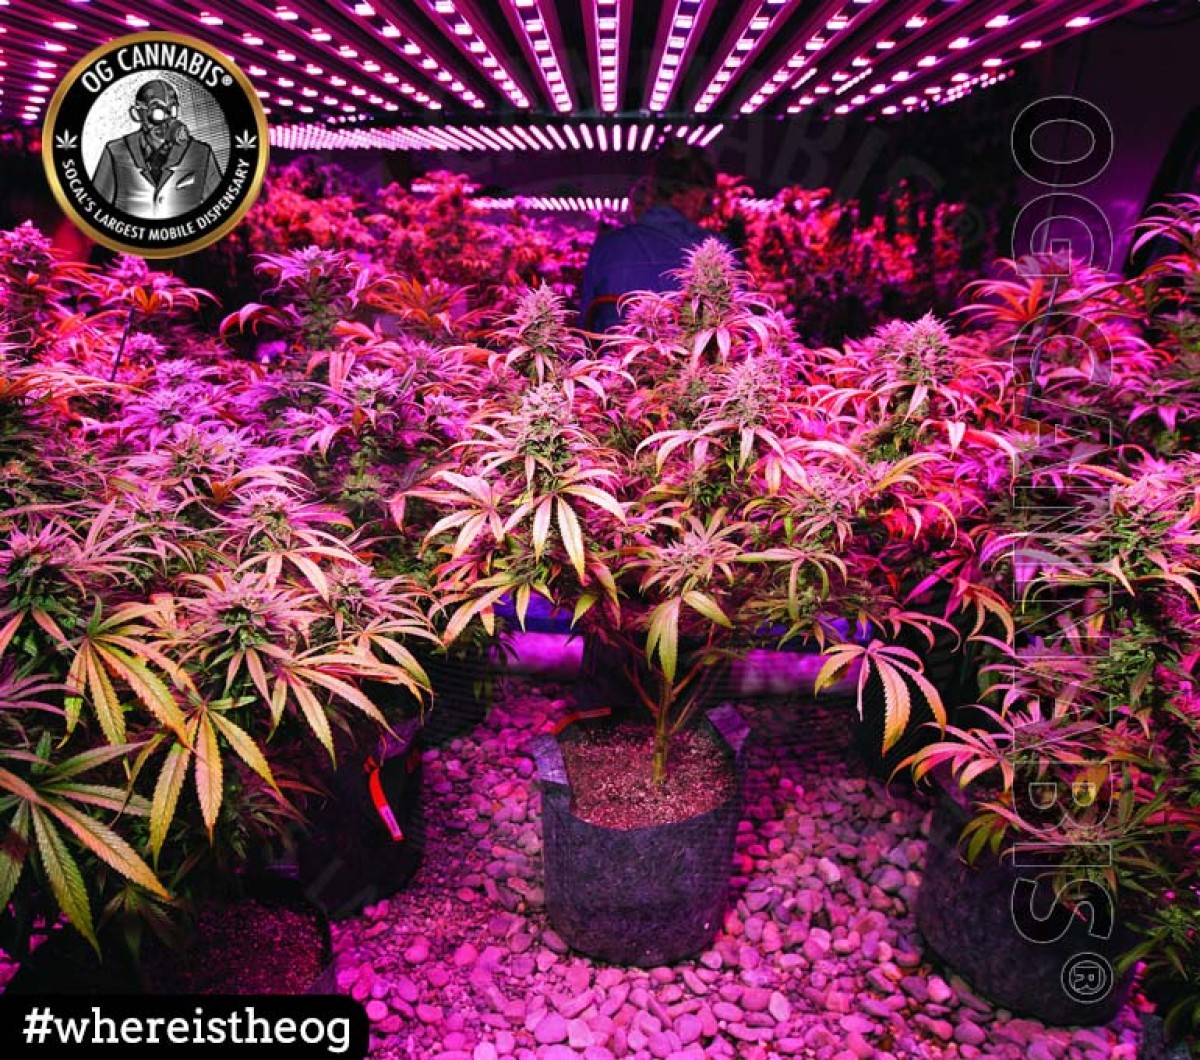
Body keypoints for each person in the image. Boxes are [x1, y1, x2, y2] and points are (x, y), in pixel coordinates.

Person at [579, 142, 721, 332]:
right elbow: (737, 330)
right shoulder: (717, 250)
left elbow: (585, 327)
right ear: (699, 195)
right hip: (688, 352)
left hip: (613, 351)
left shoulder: (606, 246)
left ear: (652, 188)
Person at [91, 78, 223, 220]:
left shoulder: (201, 153)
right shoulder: (115, 152)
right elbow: (93, 209)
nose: (166, 121)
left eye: (172, 110)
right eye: (157, 112)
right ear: (137, 114)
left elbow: (222, 207)